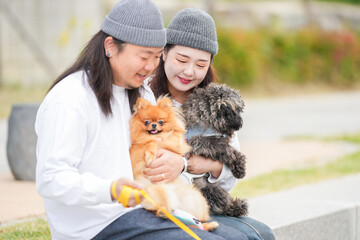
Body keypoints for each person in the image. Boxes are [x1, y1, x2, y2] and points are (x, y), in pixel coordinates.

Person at [35, 1, 248, 239]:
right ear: (110, 46)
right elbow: (51, 178)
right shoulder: (70, 99)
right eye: (144, 57)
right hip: (96, 226)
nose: (151, 67)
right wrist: (111, 190)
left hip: (144, 210)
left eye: (156, 57)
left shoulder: (141, 94)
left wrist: (183, 164)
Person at [149, 8, 276, 240]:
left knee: (263, 234)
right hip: (159, 204)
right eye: (182, 59)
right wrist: (185, 164)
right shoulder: (146, 97)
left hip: (204, 202)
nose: (189, 71)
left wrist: (212, 166)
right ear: (164, 53)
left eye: (201, 64)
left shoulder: (215, 103)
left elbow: (232, 169)